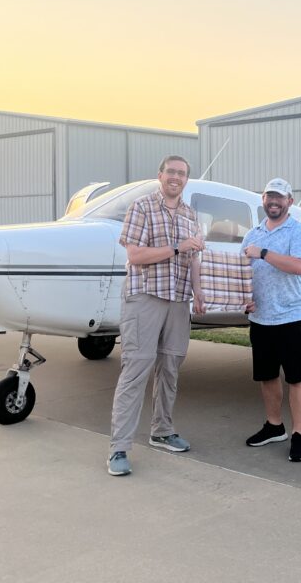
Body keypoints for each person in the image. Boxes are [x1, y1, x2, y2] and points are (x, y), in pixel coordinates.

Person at [107, 155, 206, 476]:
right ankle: (119, 448)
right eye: (171, 172)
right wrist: (177, 247)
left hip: (179, 301)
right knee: (135, 369)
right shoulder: (142, 207)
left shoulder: (191, 215)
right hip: (146, 297)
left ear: (186, 180)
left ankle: (162, 430)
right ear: (160, 175)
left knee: (171, 368)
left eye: (182, 173)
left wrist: (199, 293)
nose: (176, 177)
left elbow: (193, 259)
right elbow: (135, 255)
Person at [241, 178, 301, 462]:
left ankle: (299, 434)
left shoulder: (298, 232)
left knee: (296, 378)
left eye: (280, 197)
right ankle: (274, 426)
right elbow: (242, 273)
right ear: (263, 199)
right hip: (261, 318)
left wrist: (264, 253)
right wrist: (242, 298)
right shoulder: (252, 234)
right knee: (267, 376)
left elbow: (298, 266)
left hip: (291, 316)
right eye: (270, 196)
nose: (274, 201)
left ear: (289, 202)